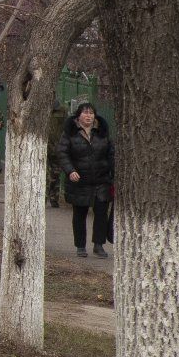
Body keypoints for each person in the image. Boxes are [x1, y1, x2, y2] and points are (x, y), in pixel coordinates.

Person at [57, 101, 114, 258]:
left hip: (101, 180)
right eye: (85, 113)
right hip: (79, 180)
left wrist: (114, 174)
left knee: (101, 213)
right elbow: (62, 153)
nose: (88, 116)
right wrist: (70, 171)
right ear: (78, 116)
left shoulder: (102, 132)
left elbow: (111, 154)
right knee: (79, 214)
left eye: (91, 113)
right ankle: (80, 246)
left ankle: (98, 245)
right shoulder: (70, 133)